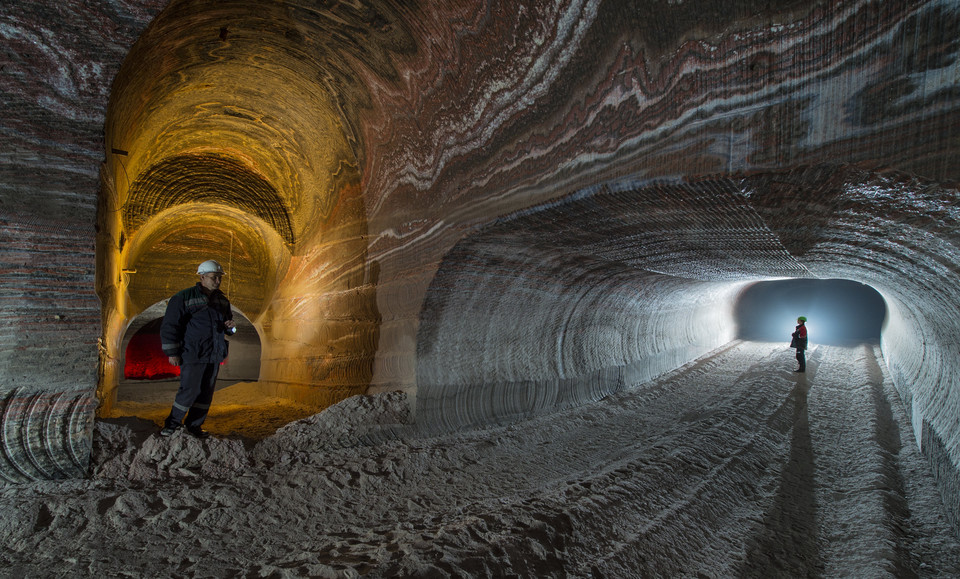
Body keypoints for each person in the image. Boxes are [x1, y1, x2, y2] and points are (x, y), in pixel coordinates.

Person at [159, 260, 236, 438]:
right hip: (193, 353)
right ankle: (172, 425)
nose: (217, 281)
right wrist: (172, 352)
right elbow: (170, 326)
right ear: (202, 277)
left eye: (219, 278)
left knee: (206, 394)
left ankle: (194, 426)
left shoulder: (222, 301)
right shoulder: (183, 297)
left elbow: (230, 329)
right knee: (189, 390)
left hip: (214, 354)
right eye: (213, 277)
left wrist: (231, 327)